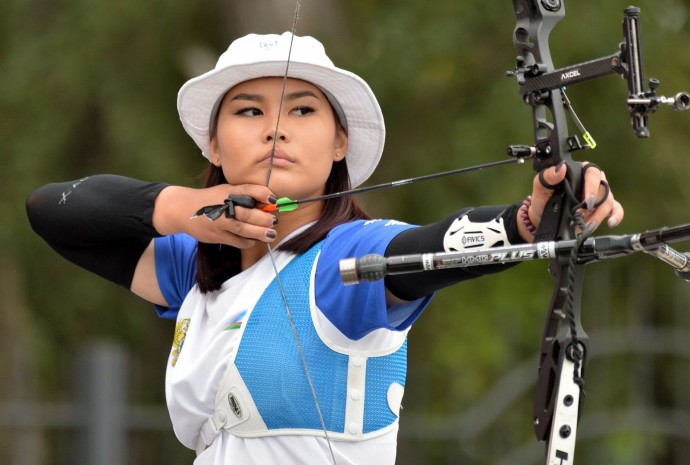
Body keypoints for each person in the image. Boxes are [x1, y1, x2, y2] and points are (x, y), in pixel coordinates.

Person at [25, 32, 623, 465]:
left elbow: (433, 245)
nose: (275, 128)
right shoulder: (197, 269)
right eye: (249, 110)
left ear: (340, 141)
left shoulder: (349, 261)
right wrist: (185, 211)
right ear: (214, 143)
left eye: (303, 110)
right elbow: (53, 210)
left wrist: (525, 222)